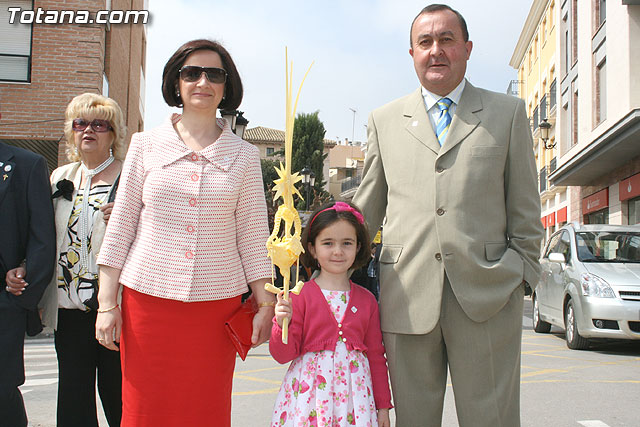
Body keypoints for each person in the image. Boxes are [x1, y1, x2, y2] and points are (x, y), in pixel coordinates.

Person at [353, 4, 544, 427]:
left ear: (468, 48)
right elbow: (366, 209)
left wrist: (518, 275)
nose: (435, 50)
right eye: (425, 42)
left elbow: (527, 213)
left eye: (446, 40)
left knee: (491, 419)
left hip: (489, 296)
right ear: (412, 53)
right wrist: (317, 261)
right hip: (406, 297)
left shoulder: (507, 114)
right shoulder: (384, 120)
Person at [94, 39, 275, 427]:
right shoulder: (144, 146)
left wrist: (265, 304)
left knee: (205, 410)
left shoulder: (243, 156)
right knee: (144, 410)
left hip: (215, 310)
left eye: (215, 74)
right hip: (147, 305)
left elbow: (253, 236)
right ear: (177, 82)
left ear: (227, 86)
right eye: (191, 73)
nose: (202, 82)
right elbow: (121, 226)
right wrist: (107, 303)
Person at [6, 93, 125, 426]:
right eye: (80, 123)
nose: (89, 130)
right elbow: (41, 235)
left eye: (99, 124)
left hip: (114, 307)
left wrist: (132, 217)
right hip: (67, 307)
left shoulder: (129, 177)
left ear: (113, 133)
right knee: (73, 397)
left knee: (118, 397)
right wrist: (27, 267)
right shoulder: (59, 176)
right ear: (71, 131)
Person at [270, 201, 392, 427]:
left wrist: (382, 406)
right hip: (309, 402)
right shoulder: (299, 295)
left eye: (347, 243)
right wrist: (281, 323)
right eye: (328, 243)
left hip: (356, 404)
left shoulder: (368, 301)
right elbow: (282, 355)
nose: (338, 251)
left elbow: (376, 356)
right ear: (313, 248)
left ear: (358, 247)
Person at [0, 142, 55, 427]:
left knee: (3, 394)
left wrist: (19, 298)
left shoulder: (26, 164)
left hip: (5, 305)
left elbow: (42, 239)